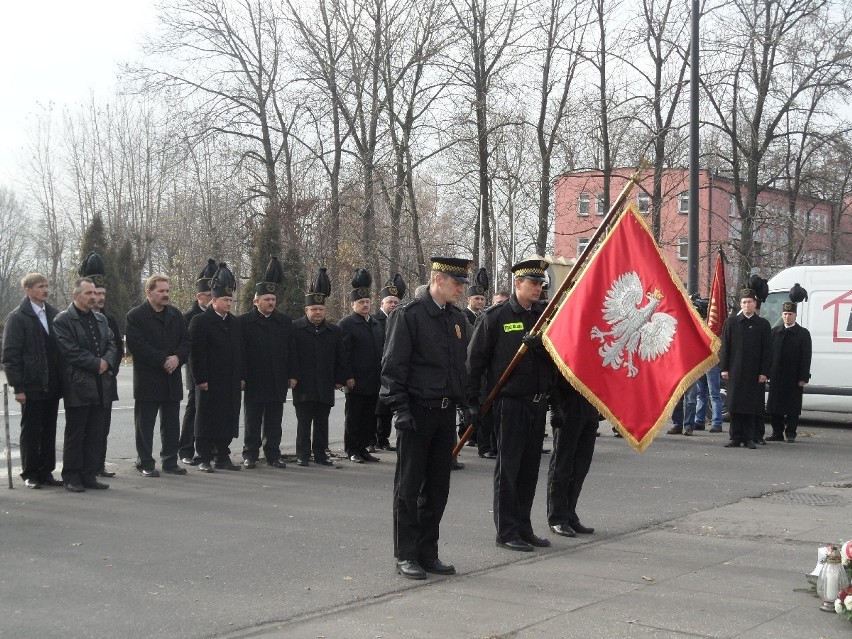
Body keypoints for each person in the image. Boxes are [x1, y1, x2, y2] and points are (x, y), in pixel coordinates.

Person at [381, 256, 472, 580]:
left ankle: (427, 552)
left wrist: (465, 404)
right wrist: (400, 409)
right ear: (438, 279)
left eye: (462, 283)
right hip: (418, 413)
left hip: (445, 413)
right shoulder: (409, 316)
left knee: (438, 488)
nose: (461, 289)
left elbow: (458, 366)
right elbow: (394, 367)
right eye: (457, 282)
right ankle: (406, 554)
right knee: (408, 488)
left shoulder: (456, 318)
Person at [467, 258, 556, 552]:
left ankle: (523, 526)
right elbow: (475, 363)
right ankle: (506, 531)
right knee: (509, 468)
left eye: (541, 284)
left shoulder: (544, 316)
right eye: (533, 284)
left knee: (530, 468)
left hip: (536, 402)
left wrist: (540, 347)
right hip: (509, 403)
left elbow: (557, 358)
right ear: (517, 283)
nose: (538, 289)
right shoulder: (496, 316)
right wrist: (474, 404)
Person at [53, 277, 121, 492]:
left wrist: (107, 362)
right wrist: (96, 363)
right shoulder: (62, 320)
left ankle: (89, 474)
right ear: (76, 296)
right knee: (76, 433)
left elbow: (112, 343)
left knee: (95, 432)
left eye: (95, 293)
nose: (93, 297)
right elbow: (69, 350)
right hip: (78, 384)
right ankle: (72, 476)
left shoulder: (101, 319)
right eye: (88, 293)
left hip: (102, 384)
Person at [1, 273, 63, 489]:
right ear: (27, 290)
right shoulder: (18, 317)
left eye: (46, 286)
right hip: (31, 383)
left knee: (49, 429)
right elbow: (11, 355)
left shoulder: (54, 314)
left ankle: (46, 471)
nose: (45, 290)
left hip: (52, 383)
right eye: (40, 286)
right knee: (31, 430)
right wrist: (18, 386)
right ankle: (30, 473)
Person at [125, 274, 191, 477]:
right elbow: (138, 346)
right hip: (148, 378)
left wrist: (178, 358)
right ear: (149, 292)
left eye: (167, 291)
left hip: (171, 378)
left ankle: (170, 460)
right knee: (145, 424)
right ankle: (145, 462)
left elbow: (186, 341)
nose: (165, 295)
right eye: (161, 291)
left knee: (171, 423)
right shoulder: (136, 316)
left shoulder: (175, 315)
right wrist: (164, 359)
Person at [188, 263, 245, 472]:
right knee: (206, 418)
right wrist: (200, 379)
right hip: (209, 380)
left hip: (230, 380)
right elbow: (196, 353)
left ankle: (223, 454)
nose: (229, 303)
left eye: (231, 300)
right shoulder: (200, 321)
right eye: (225, 300)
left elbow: (241, 351)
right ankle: (203, 456)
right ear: (214, 300)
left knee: (227, 417)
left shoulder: (235, 323)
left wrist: (242, 376)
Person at [240, 257, 296, 469]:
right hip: (254, 378)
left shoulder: (284, 321)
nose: (271, 303)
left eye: (273, 299)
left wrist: (292, 374)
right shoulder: (244, 322)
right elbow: (241, 353)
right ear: (256, 301)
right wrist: (242, 376)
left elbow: (291, 351)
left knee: (274, 420)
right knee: (253, 419)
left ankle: (273, 453)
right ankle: (250, 454)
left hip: (277, 378)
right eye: (267, 299)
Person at [291, 268, 346, 467]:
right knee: (304, 422)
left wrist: (340, 377)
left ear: (325, 311)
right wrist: (292, 376)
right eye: (313, 309)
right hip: (303, 384)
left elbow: (340, 357)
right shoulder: (296, 328)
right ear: (306, 310)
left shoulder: (334, 331)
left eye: (321, 309)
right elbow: (291, 356)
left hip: (325, 383)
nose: (317, 313)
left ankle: (321, 453)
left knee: (322, 421)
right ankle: (302, 455)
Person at [79, 253, 123, 478]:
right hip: (84, 380)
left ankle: (98, 465)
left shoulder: (110, 319)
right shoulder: (73, 318)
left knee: (102, 428)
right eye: (95, 293)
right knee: (83, 430)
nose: (100, 297)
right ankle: (82, 468)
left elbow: (117, 347)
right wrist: (95, 364)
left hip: (106, 380)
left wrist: (108, 365)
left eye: (103, 293)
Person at [339, 269, 384, 464]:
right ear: (353, 305)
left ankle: (364, 448)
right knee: (354, 418)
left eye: (367, 302)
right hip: (355, 380)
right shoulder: (347, 324)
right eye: (361, 303)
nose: (365, 305)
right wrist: (347, 376)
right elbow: (343, 355)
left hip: (373, 379)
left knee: (368, 418)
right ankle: (352, 449)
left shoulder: (375, 324)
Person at [719, 287, 771, 449]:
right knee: (734, 405)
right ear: (740, 304)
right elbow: (725, 347)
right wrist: (724, 368)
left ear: (755, 304)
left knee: (751, 406)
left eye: (749, 302)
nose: (747, 305)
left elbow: (767, 351)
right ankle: (735, 437)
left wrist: (764, 372)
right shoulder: (732, 322)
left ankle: (749, 437)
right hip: (735, 371)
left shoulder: (762, 324)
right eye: (744, 302)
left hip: (754, 373)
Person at [546, 377, 597, 537]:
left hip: (590, 400)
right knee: (562, 463)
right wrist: (555, 405)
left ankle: (569, 514)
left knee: (581, 465)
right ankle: (557, 517)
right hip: (568, 399)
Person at [179, 259, 217, 465]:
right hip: (196, 370)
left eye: (214, 296)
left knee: (212, 409)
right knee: (194, 408)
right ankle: (186, 448)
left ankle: (208, 447)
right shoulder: (189, 317)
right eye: (208, 296)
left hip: (215, 369)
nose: (212, 300)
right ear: (199, 296)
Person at [766, 299, 812, 443]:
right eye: (785, 314)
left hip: (793, 376)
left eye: (790, 314)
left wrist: (803, 377)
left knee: (793, 406)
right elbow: (768, 354)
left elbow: (806, 357)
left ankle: (791, 433)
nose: (787, 317)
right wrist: (767, 372)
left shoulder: (803, 334)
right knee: (775, 406)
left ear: (795, 316)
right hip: (776, 375)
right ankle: (777, 432)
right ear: (782, 315)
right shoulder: (774, 332)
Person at [372, 274, 406, 452]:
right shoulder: (375, 321)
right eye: (390, 302)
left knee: (387, 407)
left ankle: (384, 439)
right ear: (382, 304)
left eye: (396, 302)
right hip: (377, 370)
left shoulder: (401, 318)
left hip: (392, 370)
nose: (393, 305)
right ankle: (375, 438)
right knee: (377, 409)